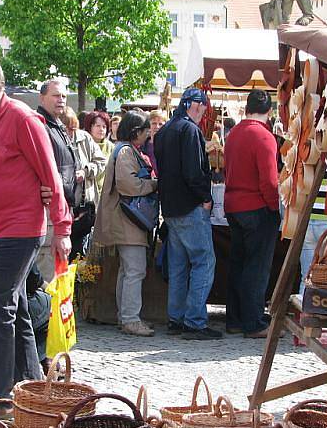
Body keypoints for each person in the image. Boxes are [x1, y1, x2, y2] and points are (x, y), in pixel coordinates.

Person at [0, 54, 71, 419]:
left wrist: (62, 229)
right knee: (17, 310)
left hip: (20, 230)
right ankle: (33, 390)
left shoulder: (23, 119)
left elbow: (50, 176)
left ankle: (1, 398)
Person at [155, 88, 222, 340]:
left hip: (171, 208)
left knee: (179, 266)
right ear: (194, 105)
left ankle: (176, 319)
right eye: (203, 107)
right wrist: (206, 197)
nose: (204, 111)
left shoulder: (163, 132)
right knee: (204, 262)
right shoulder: (190, 131)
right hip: (190, 207)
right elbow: (193, 172)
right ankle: (194, 321)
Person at [93, 111, 158, 337]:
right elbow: (129, 185)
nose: (147, 135)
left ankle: (125, 316)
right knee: (135, 270)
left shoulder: (122, 149)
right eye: (144, 131)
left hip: (124, 220)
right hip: (127, 221)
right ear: (135, 131)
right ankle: (130, 318)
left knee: (127, 270)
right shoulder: (126, 151)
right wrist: (152, 185)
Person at [223, 90, 281, 338]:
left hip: (233, 205)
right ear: (269, 111)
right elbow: (269, 181)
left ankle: (235, 319)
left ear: (247, 108)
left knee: (238, 263)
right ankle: (254, 322)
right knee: (256, 267)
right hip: (256, 207)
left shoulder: (233, 133)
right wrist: (274, 207)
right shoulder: (265, 137)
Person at [35, 79, 79, 281]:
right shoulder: (39, 125)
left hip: (61, 211)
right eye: (56, 95)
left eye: (63, 96)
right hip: (49, 214)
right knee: (48, 280)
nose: (61, 100)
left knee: (57, 277)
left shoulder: (58, 125)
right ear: (42, 97)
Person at [60, 106, 107, 259]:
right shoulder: (53, 140)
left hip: (84, 207)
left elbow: (101, 162)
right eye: (68, 129)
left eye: (74, 128)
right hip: (63, 209)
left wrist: (86, 171)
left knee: (80, 254)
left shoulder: (84, 138)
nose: (71, 133)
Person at [84, 110, 114, 194]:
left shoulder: (111, 147)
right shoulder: (83, 144)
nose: (101, 129)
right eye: (97, 126)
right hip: (88, 193)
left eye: (104, 126)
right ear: (90, 127)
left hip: (106, 193)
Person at [143, 109, 166, 174]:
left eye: (160, 124)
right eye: (154, 123)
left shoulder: (169, 145)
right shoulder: (143, 145)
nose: (157, 127)